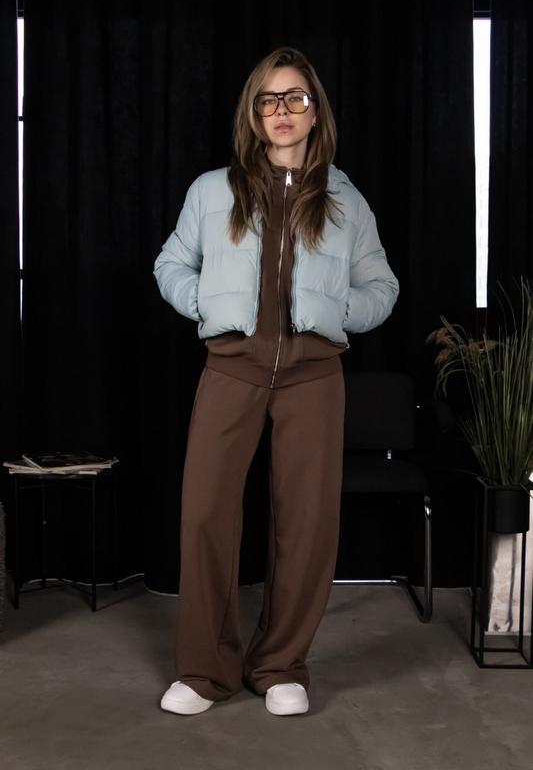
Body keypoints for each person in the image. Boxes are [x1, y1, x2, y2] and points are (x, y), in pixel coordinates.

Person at [153, 46, 399, 717]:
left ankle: (281, 665)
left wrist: (335, 315)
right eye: (268, 99)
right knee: (204, 513)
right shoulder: (212, 191)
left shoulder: (346, 201)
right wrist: (205, 305)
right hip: (230, 369)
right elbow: (170, 262)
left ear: (315, 112)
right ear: (253, 114)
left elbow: (382, 286)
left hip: (313, 378)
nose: (281, 110)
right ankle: (205, 672)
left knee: (307, 522)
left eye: (295, 98)